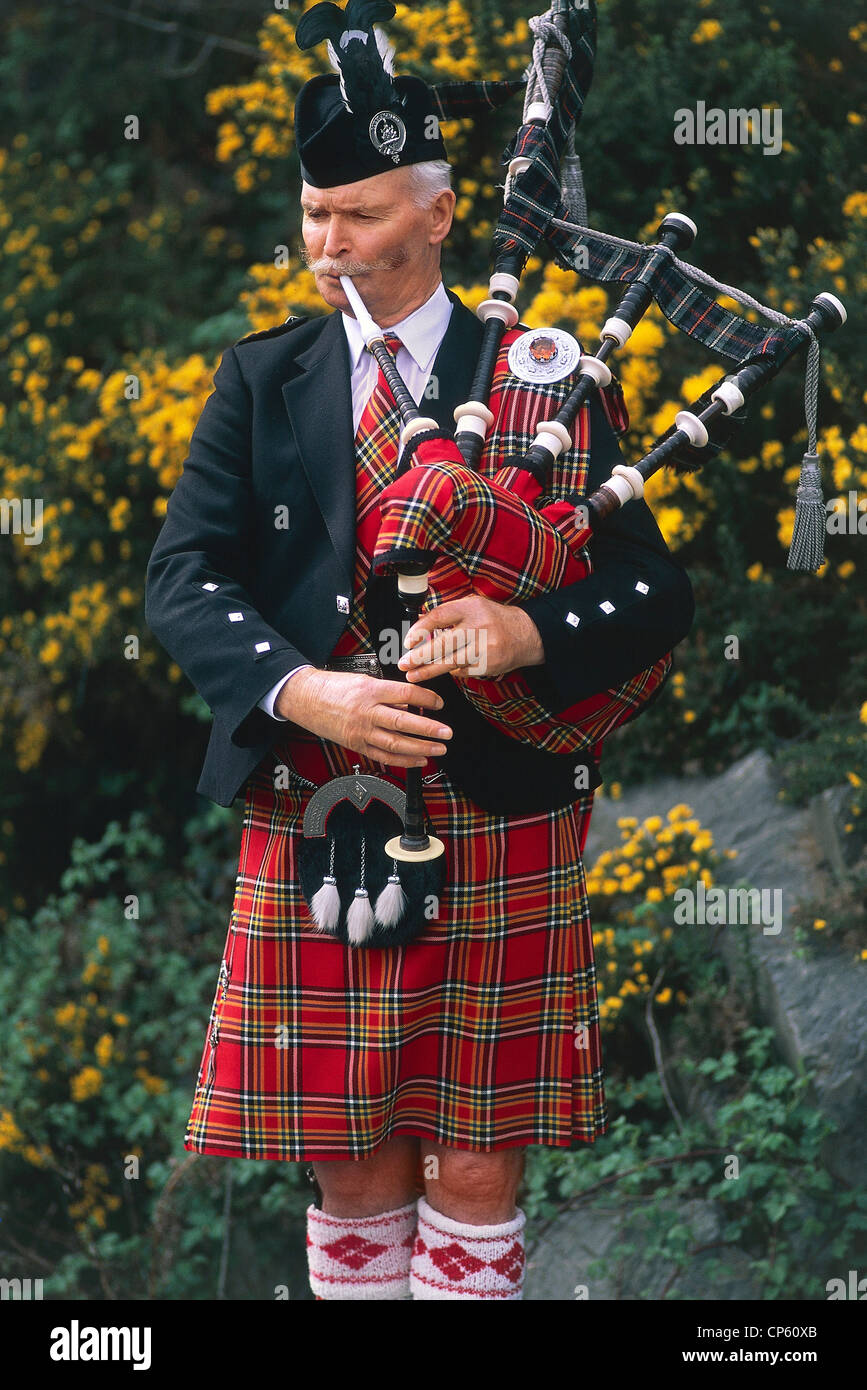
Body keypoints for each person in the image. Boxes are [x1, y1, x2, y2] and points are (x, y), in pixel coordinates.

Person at [145, 4, 694, 1301]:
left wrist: (524, 627)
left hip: (499, 804)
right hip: (323, 796)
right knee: (350, 1163)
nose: (328, 243)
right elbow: (181, 579)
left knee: (476, 1172)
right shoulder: (261, 378)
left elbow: (655, 590)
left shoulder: (543, 374)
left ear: (441, 215)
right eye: (314, 214)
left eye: (362, 213)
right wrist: (310, 689)